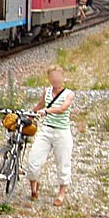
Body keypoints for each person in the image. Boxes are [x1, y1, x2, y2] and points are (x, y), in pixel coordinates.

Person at [25, 65, 75, 206]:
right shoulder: (46, 91)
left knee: (63, 163)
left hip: (62, 132)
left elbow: (62, 108)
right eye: (52, 77)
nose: (55, 80)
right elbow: (40, 105)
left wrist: (46, 111)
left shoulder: (69, 94)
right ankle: (34, 187)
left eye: (58, 77)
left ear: (63, 77)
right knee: (33, 162)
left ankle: (61, 193)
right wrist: (30, 114)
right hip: (46, 130)